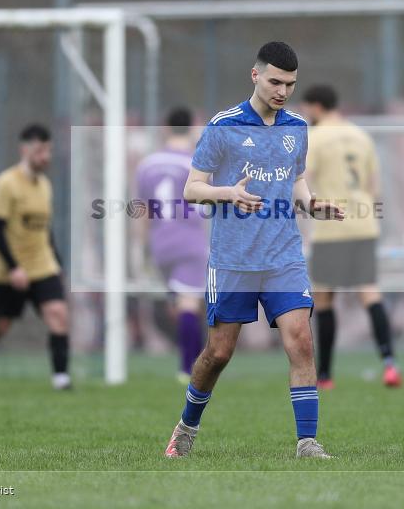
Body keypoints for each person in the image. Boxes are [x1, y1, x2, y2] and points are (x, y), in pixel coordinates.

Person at [163, 41, 345, 460]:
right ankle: (187, 427)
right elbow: (192, 188)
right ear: (255, 75)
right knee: (219, 352)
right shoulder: (223, 126)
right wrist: (228, 193)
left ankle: (307, 442)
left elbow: (295, 179)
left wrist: (311, 202)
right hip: (233, 260)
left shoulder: (297, 127)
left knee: (301, 341)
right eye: (276, 82)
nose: (283, 91)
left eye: (291, 84)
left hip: (284, 256)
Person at [0, 124, 72, 391]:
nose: (46, 156)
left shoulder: (45, 185)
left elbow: (46, 229)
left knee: (58, 314)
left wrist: (57, 263)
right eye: (40, 150)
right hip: (9, 270)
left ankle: (61, 379)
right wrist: (14, 267)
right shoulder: (6, 183)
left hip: (42, 265)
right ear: (24, 150)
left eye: (49, 150)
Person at [301, 84, 401, 389]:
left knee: (324, 298)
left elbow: (304, 184)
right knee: (370, 293)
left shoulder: (315, 138)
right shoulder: (361, 135)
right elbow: (375, 187)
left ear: (316, 107)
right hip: (364, 223)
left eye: (307, 109)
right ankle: (389, 364)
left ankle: (326, 376)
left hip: (332, 226)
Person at [135, 107, 208, 383]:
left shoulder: (147, 164)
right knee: (189, 303)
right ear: (192, 127)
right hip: (189, 240)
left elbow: (141, 211)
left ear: (166, 127)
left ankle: (194, 360)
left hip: (160, 242)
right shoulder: (195, 162)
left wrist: (142, 247)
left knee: (180, 303)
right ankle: (189, 367)